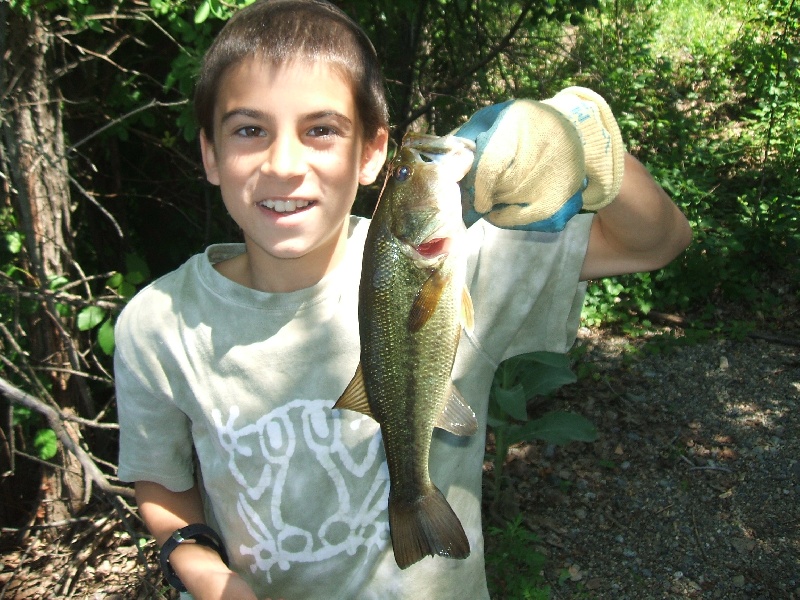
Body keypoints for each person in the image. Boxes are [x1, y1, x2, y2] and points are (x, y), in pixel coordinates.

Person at [114, 1, 692, 598]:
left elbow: (659, 242)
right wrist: (203, 572)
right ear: (210, 153)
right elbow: (160, 480)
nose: (284, 164)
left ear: (371, 154)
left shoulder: (466, 263)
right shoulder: (158, 325)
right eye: (248, 130)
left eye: (321, 130)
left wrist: (587, 149)